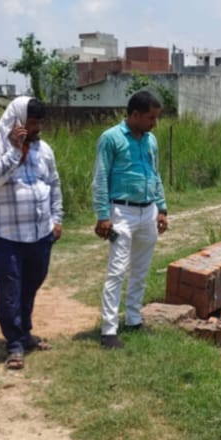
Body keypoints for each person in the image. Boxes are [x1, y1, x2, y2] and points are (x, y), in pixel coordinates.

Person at [0, 96, 63, 370]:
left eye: (39, 123)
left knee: (31, 285)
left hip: (40, 234)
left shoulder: (44, 149)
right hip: (6, 236)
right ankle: (13, 344)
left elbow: (53, 183)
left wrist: (56, 218)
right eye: (31, 122)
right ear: (17, 121)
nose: (37, 128)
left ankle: (25, 332)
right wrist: (14, 151)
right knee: (11, 290)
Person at [92, 89, 169, 348]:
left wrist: (162, 208)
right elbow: (101, 178)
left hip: (148, 212)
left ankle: (134, 319)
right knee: (117, 270)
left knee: (141, 269)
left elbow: (155, 174)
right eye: (150, 118)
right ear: (135, 115)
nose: (154, 123)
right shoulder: (111, 138)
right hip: (121, 212)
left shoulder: (151, 141)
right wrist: (103, 216)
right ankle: (109, 329)